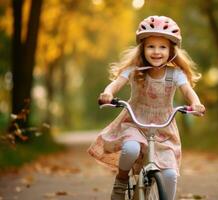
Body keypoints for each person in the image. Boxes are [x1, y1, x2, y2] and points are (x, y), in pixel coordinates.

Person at [87, 15, 205, 200]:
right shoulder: (135, 70)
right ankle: (121, 180)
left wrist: (196, 104)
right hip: (135, 123)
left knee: (170, 175)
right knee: (131, 149)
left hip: (163, 129)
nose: (156, 51)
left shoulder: (175, 74)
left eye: (162, 47)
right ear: (142, 49)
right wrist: (108, 93)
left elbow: (188, 91)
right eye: (151, 46)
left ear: (171, 50)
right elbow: (117, 83)